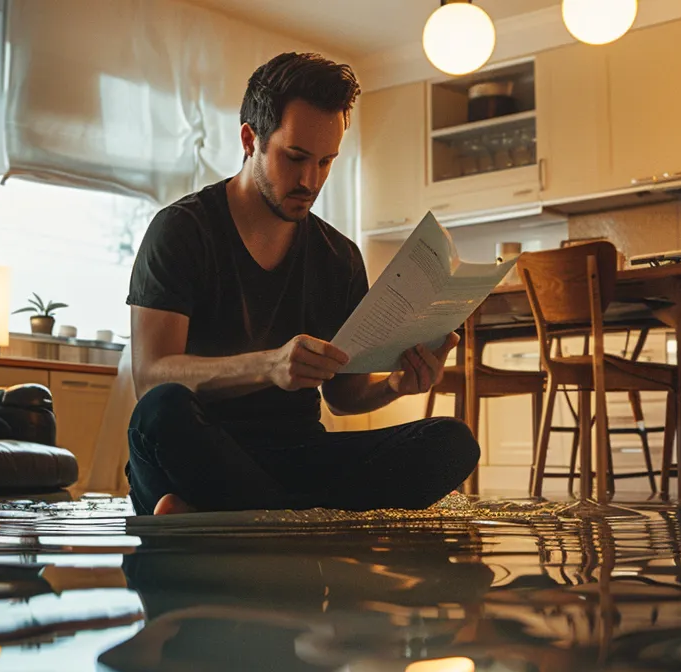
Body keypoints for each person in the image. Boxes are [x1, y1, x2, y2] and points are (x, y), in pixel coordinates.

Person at [124, 52, 481, 516]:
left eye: (325, 162)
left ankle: (236, 516)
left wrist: (395, 383)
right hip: (202, 448)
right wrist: (268, 365)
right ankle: (299, 519)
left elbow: (344, 396)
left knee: (451, 441)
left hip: (298, 457)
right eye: (295, 158)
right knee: (160, 412)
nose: (310, 180)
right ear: (250, 139)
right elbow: (150, 375)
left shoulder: (340, 257)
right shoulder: (181, 230)